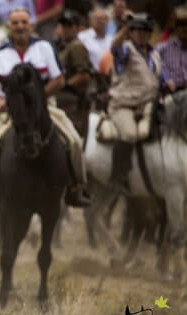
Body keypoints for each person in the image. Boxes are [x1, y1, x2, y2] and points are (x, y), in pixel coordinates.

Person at [0, 7, 92, 208]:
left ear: (31, 25)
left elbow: (59, 79)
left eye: (24, 22)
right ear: (9, 27)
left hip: (45, 108)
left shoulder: (44, 48)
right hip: (9, 112)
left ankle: (77, 187)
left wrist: (38, 99)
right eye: (15, 23)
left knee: (74, 141)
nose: (20, 26)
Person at [107, 12, 166, 192]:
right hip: (124, 104)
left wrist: (167, 83)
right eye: (136, 30)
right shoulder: (125, 49)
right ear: (131, 32)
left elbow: (158, 78)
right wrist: (125, 27)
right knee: (130, 134)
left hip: (149, 102)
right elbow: (114, 46)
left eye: (145, 31)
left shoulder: (155, 53)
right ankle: (117, 176)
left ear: (150, 33)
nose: (141, 34)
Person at [55, 10, 92, 138]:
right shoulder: (62, 46)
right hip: (62, 98)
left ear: (77, 28)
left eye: (69, 26)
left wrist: (63, 84)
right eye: (63, 26)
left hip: (73, 100)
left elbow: (84, 75)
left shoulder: (77, 46)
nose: (65, 29)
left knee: (70, 136)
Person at [155, 5, 187, 92]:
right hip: (171, 94)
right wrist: (164, 80)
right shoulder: (162, 48)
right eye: (181, 24)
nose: (185, 28)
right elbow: (152, 69)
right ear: (175, 28)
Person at [78, 6, 115, 71]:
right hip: (92, 76)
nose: (99, 21)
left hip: (110, 75)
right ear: (90, 21)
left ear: (107, 21)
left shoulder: (112, 39)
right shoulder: (82, 37)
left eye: (102, 18)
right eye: (96, 18)